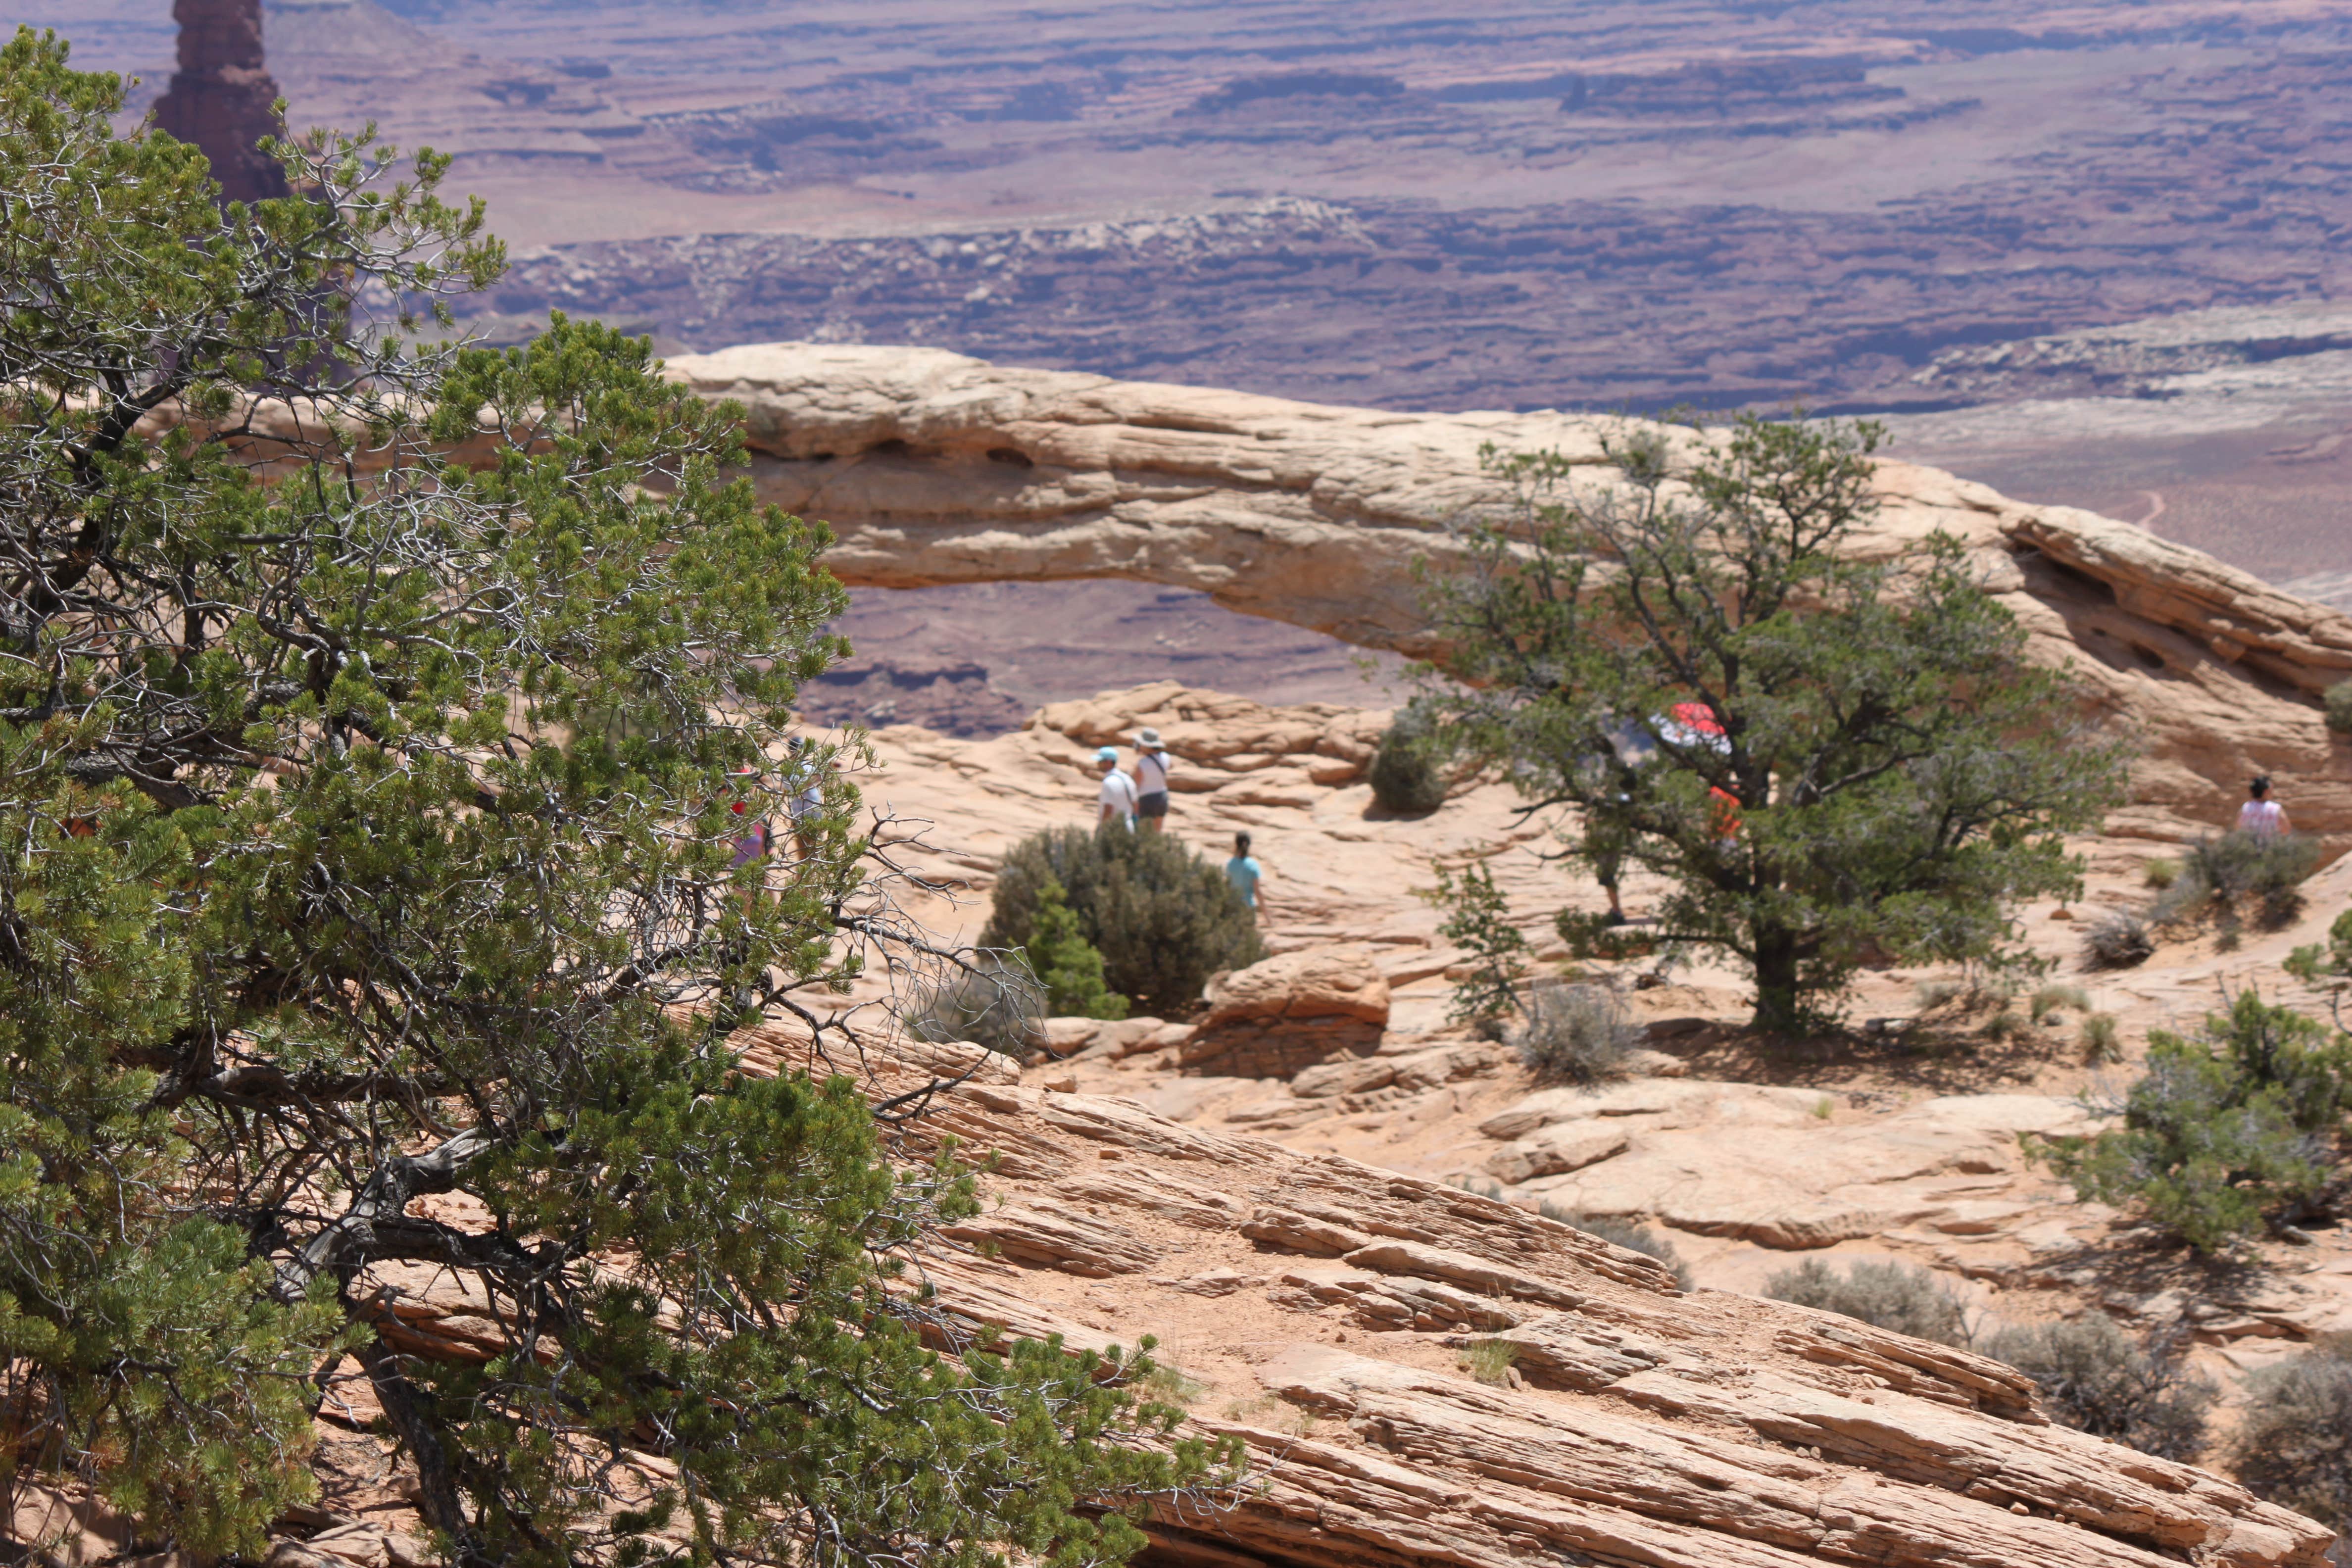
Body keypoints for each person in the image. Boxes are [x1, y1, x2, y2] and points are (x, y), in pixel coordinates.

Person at [1133, 727, 1173, 833]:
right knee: (1157, 830)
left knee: (1144, 832)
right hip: (1162, 796)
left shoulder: (1143, 763)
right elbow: (1171, 766)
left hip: (1147, 799)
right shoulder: (1166, 757)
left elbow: (1136, 785)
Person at [1096, 745, 1138, 830]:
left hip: (1113, 831)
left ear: (1108, 762)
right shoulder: (1127, 779)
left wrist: (1102, 831)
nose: (1098, 764)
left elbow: (1108, 810)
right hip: (1128, 828)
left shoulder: (1109, 782)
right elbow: (1136, 805)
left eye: (1100, 761)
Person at [1225, 831, 1264, 921]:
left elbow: (1227, 887)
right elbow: (1257, 891)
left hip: (1234, 909)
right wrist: (1267, 917)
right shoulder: (1253, 865)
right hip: (1248, 908)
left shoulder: (1230, 864)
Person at [2239, 774, 2290, 839]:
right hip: (2271, 848)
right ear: (2266, 792)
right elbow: (2286, 830)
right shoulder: (2275, 809)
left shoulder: (2245, 808)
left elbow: (2238, 829)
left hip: (2248, 848)